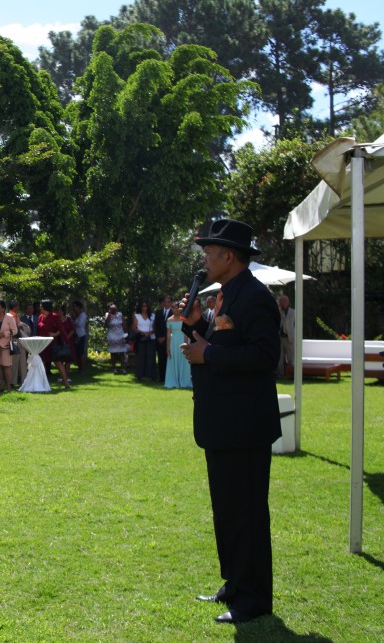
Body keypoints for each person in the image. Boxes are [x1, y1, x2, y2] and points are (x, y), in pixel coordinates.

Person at [181, 218, 280, 625]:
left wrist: (209, 356)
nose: (204, 258)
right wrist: (199, 325)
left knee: (247, 512)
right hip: (223, 422)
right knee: (227, 510)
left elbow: (263, 357)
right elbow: (223, 341)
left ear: (229, 256)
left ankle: (254, 596)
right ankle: (235, 584)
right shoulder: (226, 295)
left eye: (209, 252)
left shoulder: (255, 297)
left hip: (244, 425)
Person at [0, 300, 19, 393]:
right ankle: (0, 386)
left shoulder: (10, 317)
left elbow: (15, 331)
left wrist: (5, 334)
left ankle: (9, 387)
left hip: (6, 345)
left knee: (6, 366)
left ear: (3, 308)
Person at [163, 302, 192, 389]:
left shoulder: (184, 318)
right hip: (173, 342)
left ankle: (185, 381)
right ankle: (173, 381)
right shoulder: (169, 320)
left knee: (184, 361)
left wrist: (186, 344)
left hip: (183, 340)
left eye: (177, 308)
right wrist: (168, 348)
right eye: (174, 308)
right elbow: (168, 334)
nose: (176, 310)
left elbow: (186, 332)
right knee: (173, 360)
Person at [132, 301, 158, 381]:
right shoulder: (137, 316)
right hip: (141, 338)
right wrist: (142, 333)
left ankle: (152, 375)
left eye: (146, 306)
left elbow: (155, 327)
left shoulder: (152, 316)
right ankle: (139, 375)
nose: (144, 308)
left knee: (151, 357)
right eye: (143, 306)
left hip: (151, 338)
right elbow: (134, 328)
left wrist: (150, 333)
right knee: (141, 357)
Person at [104, 303, 129, 374]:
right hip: (112, 335)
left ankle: (123, 368)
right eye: (111, 308)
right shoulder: (107, 314)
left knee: (122, 352)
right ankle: (114, 368)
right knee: (113, 352)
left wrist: (126, 333)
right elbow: (106, 322)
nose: (113, 309)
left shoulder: (120, 314)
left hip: (120, 334)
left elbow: (124, 323)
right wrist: (110, 312)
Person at [154, 295, 173, 382]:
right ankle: (161, 378)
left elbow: (172, 328)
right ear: (163, 303)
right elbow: (156, 326)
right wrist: (158, 337)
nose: (167, 303)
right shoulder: (158, 312)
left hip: (169, 340)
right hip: (159, 341)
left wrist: (165, 338)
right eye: (165, 302)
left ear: (171, 303)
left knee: (169, 359)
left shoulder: (173, 313)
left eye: (168, 302)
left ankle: (169, 377)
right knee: (161, 360)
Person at [278, 295, 295, 378]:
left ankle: (292, 373)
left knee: (291, 356)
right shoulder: (278, 312)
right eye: (280, 301)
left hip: (289, 337)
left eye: (283, 301)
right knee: (280, 357)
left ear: (287, 302)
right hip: (280, 338)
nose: (282, 303)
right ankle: (280, 374)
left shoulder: (293, 312)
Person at [72, 300, 88, 373]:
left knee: (81, 352)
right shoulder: (76, 315)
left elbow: (80, 324)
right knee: (77, 352)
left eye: (75, 307)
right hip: (75, 335)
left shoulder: (83, 315)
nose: (74, 309)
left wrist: (74, 319)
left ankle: (82, 368)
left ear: (78, 307)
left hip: (81, 335)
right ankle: (79, 368)